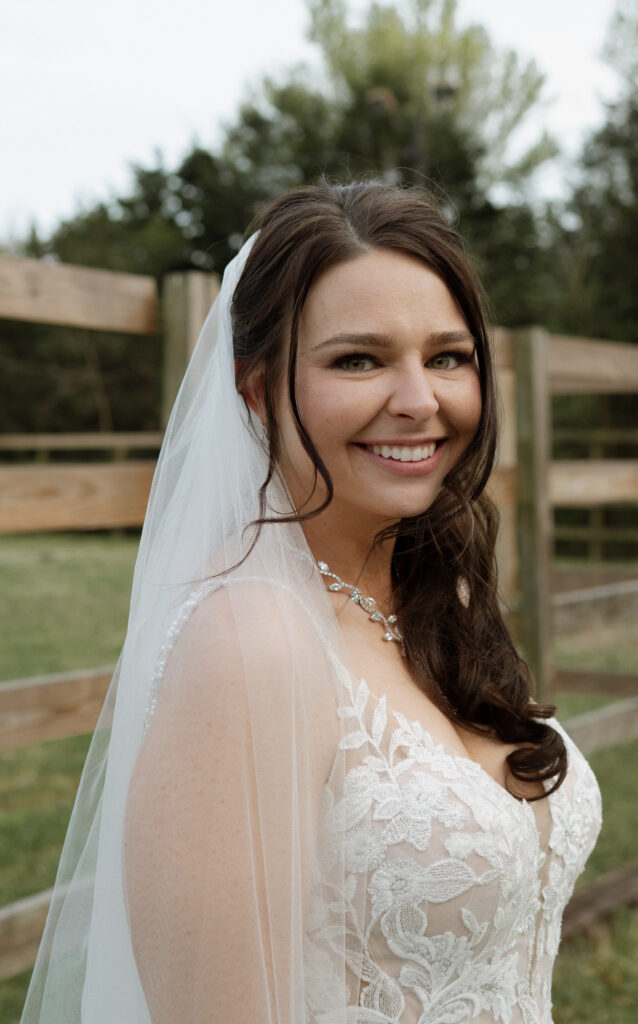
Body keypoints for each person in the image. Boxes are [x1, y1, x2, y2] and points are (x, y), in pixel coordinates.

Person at [20, 182, 601, 1024]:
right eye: (357, 359)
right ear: (254, 389)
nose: (418, 401)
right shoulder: (248, 640)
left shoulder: (435, 599)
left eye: (446, 356)